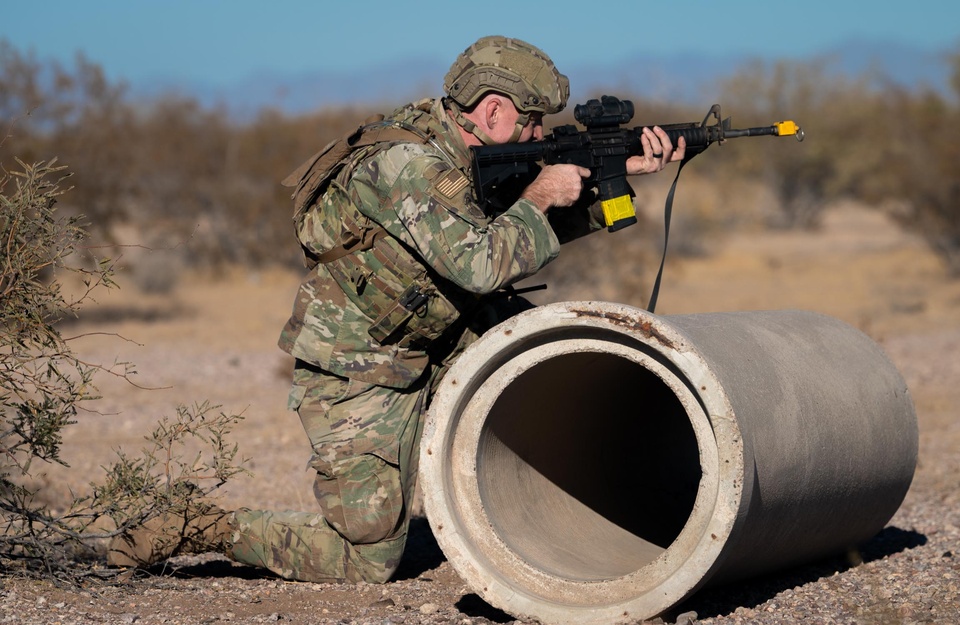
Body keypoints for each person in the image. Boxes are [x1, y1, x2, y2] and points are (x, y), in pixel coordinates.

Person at [107, 35, 685, 582]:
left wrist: (615, 177)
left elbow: (513, 240)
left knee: (551, 364)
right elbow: (482, 262)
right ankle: (198, 526)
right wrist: (539, 194)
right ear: (490, 111)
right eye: (532, 120)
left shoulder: (472, 151)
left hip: (441, 336)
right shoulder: (405, 164)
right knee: (368, 560)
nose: (538, 135)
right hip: (360, 364)